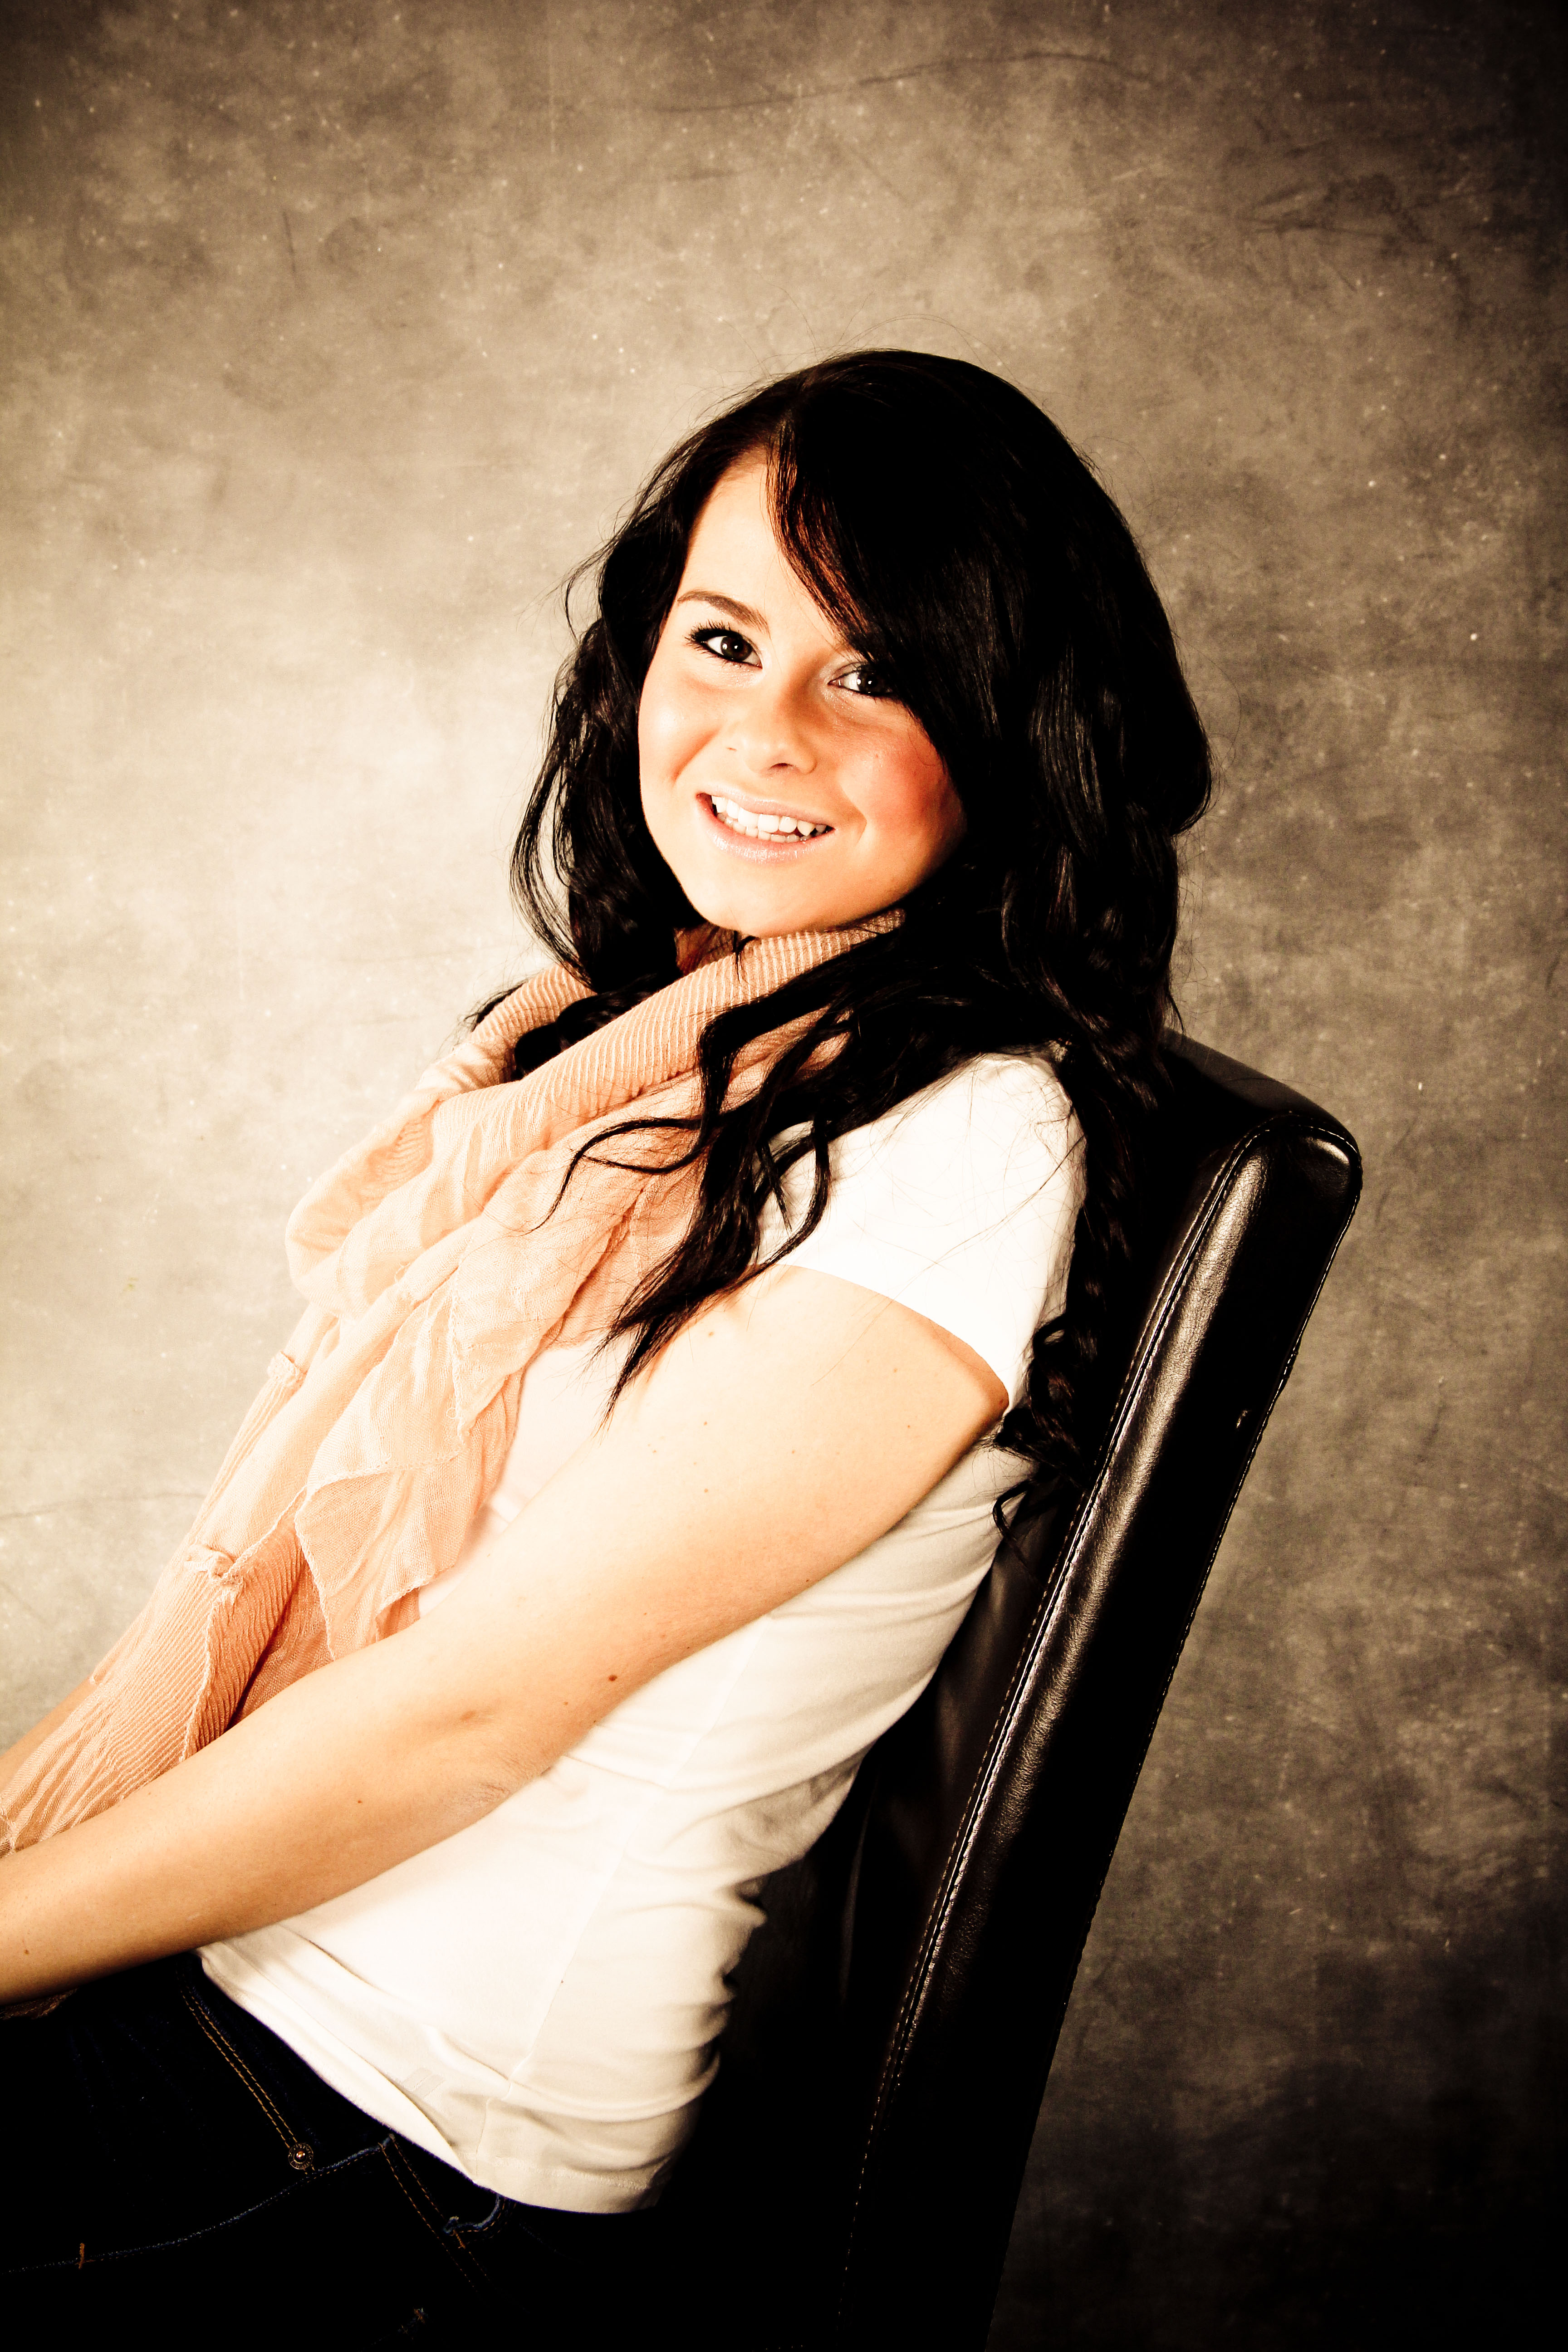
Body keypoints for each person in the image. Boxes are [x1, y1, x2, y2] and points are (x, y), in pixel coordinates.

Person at [0, 351, 1210, 2337]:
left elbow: (472, 1709)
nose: (763, 732)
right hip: (247, 2006)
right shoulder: (659, 1045)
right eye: (724, 639)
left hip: (392, 2147)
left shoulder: (963, 1143)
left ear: (1009, 730)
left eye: (875, 672)